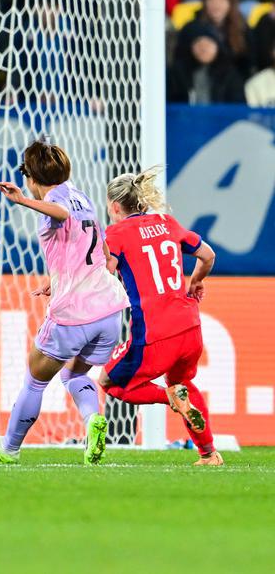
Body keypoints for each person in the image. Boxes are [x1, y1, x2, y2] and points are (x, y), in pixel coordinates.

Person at [0, 141, 130, 464]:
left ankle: (10, 449)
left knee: (34, 377)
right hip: (110, 311)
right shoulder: (83, 197)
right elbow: (104, 254)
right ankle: (92, 422)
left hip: (74, 315)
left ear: (31, 177)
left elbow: (60, 214)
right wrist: (58, 277)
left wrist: (23, 201)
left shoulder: (57, 201)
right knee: (74, 375)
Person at [100, 168, 222, 466]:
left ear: (115, 206)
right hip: (190, 326)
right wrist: (194, 282)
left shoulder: (115, 234)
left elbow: (104, 272)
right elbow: (207, 255)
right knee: (184, 383)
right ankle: (208, 453)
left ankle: (168, 397)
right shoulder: (167, 223)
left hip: (155, 333)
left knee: (109, 382)